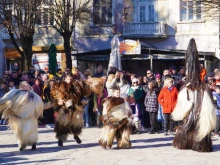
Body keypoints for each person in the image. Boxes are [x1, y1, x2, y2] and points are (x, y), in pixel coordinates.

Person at [172, 38, 216, 152]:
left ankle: (198, 142)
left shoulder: (202, 88)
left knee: (196, 123)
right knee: (190, 123)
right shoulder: (189, 87)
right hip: (193, 112)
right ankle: (192, 142)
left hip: (198, 112)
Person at [0, 81, 44, 151]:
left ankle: (33, 143)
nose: (28, 86)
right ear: (21, 86)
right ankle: (22, 144)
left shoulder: (33, 94)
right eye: (25, 85)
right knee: (20, 131)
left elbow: (40, 104)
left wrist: (36, 113)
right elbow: (5, 99)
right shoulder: (14, 92)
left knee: (31, 131)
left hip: (30, 117)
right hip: (19, 116)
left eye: (28, 85)